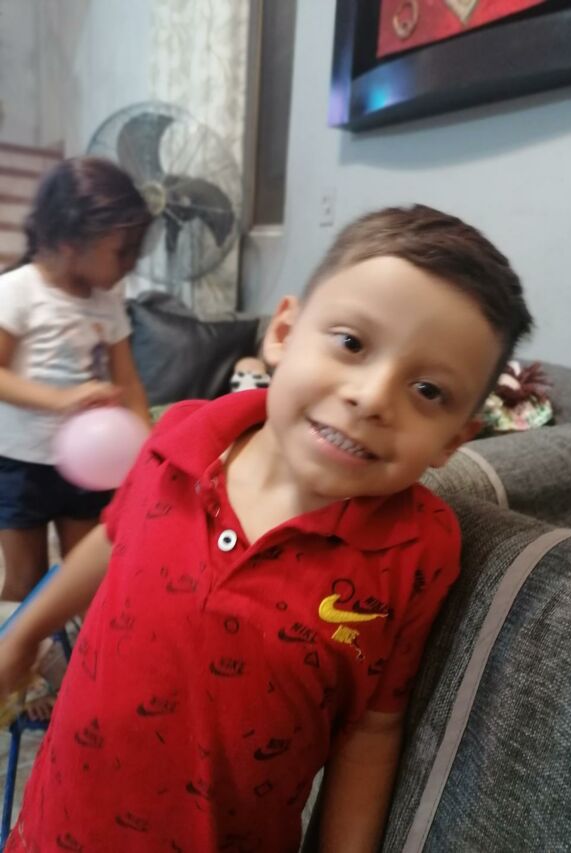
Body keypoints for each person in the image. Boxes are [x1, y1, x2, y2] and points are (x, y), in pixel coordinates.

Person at [0, 205, 533, 852]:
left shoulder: (418, 549)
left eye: (427, 390)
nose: (371, 397)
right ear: (283, 331)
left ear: (454, 440)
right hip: (56, 824)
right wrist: (22, 634)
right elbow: (115, 541)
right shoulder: (177, 440)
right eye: (352, 343)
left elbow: (372, 727)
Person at [0, 156, 152, 602]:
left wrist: (148, 451)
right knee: (25, 581)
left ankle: (80, 645)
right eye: (121, 251)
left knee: (85, 578)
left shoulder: (108, 302)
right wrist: (60, 399)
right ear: (69, 241)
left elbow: (129, 382)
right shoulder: (17, 291)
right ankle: (19, 645)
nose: (131, 263)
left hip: (90, 465)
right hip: (22, 462)